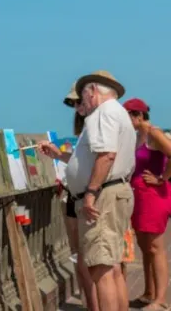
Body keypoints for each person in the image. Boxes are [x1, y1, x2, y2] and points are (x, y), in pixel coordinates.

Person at [40, 71, 135, 311]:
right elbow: (94, 159)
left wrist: (91, 193)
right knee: (112, 266)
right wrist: (60, 155)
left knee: (101, 270)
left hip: (103, 196)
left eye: (81, 96)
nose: (80, 103)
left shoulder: (103, 113)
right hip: (115, 191)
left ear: (92, 91)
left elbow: (107, 156)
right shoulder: (118, 112)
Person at [123, 97, 171, 310]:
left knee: (155, 247)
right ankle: (149, 292)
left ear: (138, 116)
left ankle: (160, 300)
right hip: (140, 196)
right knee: (145, 246)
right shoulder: (136, 136)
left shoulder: (153, 133)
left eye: (127, 117)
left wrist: (162, 178)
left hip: (153, 196)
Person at [55, 82, 100, 311]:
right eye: (73, 104)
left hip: (88, 199)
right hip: (78, 197)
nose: (76, 107)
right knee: (84, 259)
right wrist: (58, 155)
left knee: (92, 262)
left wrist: (90, 193)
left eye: (78, 102)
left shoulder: (98, 125)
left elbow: (103, 160)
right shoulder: (87, 128)